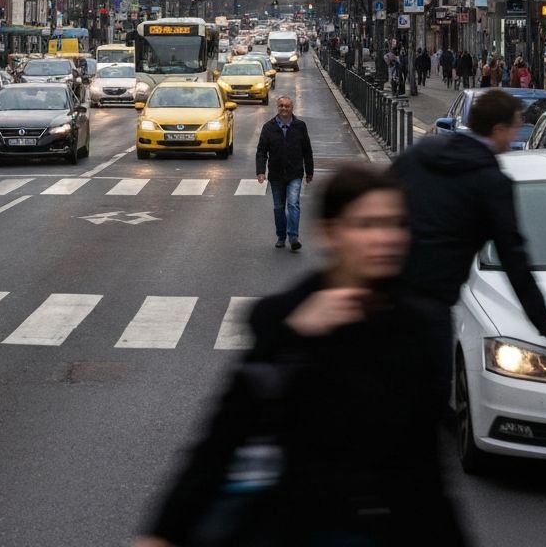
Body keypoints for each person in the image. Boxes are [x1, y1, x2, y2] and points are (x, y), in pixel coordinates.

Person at [134, 166, 470, 547]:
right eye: (367, 224)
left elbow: (428, 470)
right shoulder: (283, 318)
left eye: (395, 224)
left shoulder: (418, 325)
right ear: (330, 233)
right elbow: (225, 435)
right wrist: (163, 532)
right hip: (295, 528)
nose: (386, 238)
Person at [391, 89, 546, 400]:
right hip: (433, 303)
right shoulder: (491, 182)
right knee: (428, 402)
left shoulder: (424, 152)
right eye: (515, 126)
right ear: (499, 130)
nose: (517, 134)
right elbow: (514, 258)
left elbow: (382, 202)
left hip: (388, 296)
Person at [256, 95, 313, 251]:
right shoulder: (269, 127)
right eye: (281, 106)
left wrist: (309, 171)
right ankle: (281, 236)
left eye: (287, 106)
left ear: (292, 108)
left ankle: (293, 237)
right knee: (278, 207)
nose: (284, 109)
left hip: (295, 173)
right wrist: (261, 171)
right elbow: (261, 151)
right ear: (277, 107)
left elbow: (307, 150)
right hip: (276, 174)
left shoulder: (300, 126)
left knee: (293, 204)